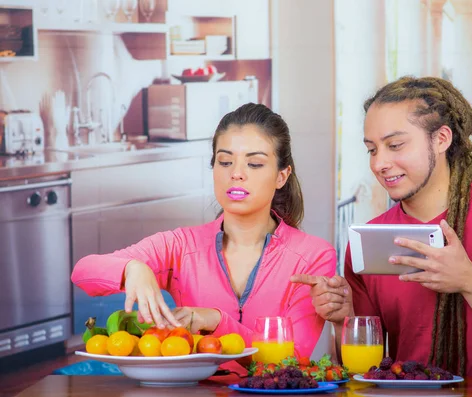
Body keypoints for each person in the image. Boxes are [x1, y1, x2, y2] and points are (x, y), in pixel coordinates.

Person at [292, 76, 472, 377]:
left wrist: (471, 282)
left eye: (395, 145)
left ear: (441, 139)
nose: (379, 163)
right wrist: (342, 318)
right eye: (372, 149)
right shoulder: (367, 242)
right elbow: (360, 371)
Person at [72, 103, 337, 360]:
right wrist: (131, 268)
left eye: (254, 164)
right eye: (224, 162)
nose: (236, 174)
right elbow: (84, 272)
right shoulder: (180, 245)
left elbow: (293, 355)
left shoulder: (313, 256)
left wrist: (216, 320)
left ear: (282, 176)